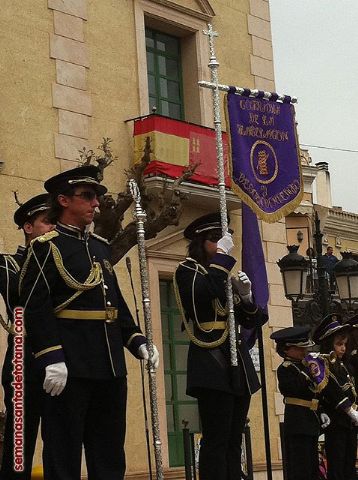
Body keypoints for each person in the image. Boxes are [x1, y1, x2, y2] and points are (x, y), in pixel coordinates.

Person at [19, 165, 159, 480]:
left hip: (109, 365)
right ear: (63, 200)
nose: (95, 203)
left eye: (95, 196)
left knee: (109, 454)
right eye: (87, 196)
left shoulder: (100, 247)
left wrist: (137, 341)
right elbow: (35, 309)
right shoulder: (46, 248)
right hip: (69, 365)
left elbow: (115, 303)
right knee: (63, 453)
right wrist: (52, 357)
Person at [173, 212, 267, 480]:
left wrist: (247, 297)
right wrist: (223, 261)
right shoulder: (188, 271)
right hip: (211, 357)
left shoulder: (223, 276)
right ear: (200, 243)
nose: (219, 245)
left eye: (222, 239)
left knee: (234, 437)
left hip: (236, 359)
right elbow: (202, 295)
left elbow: (256, 319)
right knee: (216, 437)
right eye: (214, 240)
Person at [0, 193, 54, 479]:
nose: (52, 228)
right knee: (19, 446)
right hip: (23, 362)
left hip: (61, 361)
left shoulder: (65, 263)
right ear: (28, 227)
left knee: (60, 442)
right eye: (47, 222)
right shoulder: (8, 265)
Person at [270, 326, 330, 480]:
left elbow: (317, 392)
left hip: (311, 420)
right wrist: (310, 370)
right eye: (299, 348)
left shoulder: (304, 366)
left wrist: (321, 410)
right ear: (287, 349)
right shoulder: (285, 369)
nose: (304, 352)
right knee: (300, 467)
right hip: (298, 422)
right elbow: (294, 388)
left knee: (312, 467)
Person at [313, 314, 357, 480]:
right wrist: (349, 411)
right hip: (336, 421)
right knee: (337, 464)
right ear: (328, 345)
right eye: (339, 344)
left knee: (349, 464)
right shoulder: (323, 365)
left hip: (350, 423)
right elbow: (331, 391)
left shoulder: (344, 366)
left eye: (344, 344)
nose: (343, 348)